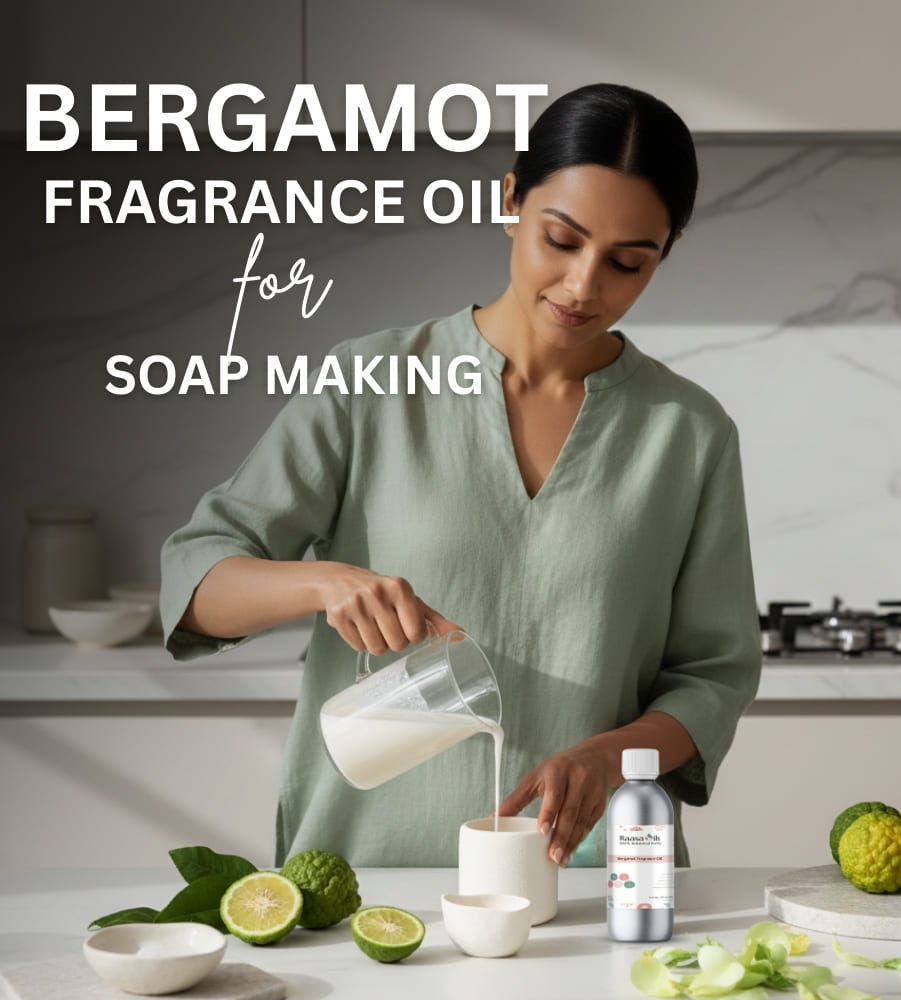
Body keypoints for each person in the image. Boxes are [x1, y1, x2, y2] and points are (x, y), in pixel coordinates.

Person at [160, 83, 762, 870]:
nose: (584, 286)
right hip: (363, 879)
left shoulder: (688, 433)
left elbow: (714, 675)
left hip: (589, 886)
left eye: (626, 262)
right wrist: (325, 585)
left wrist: (613, 755)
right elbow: (194, 580)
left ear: (664, 252)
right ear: (510, 200)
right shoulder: (370, 382)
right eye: (560, 238)